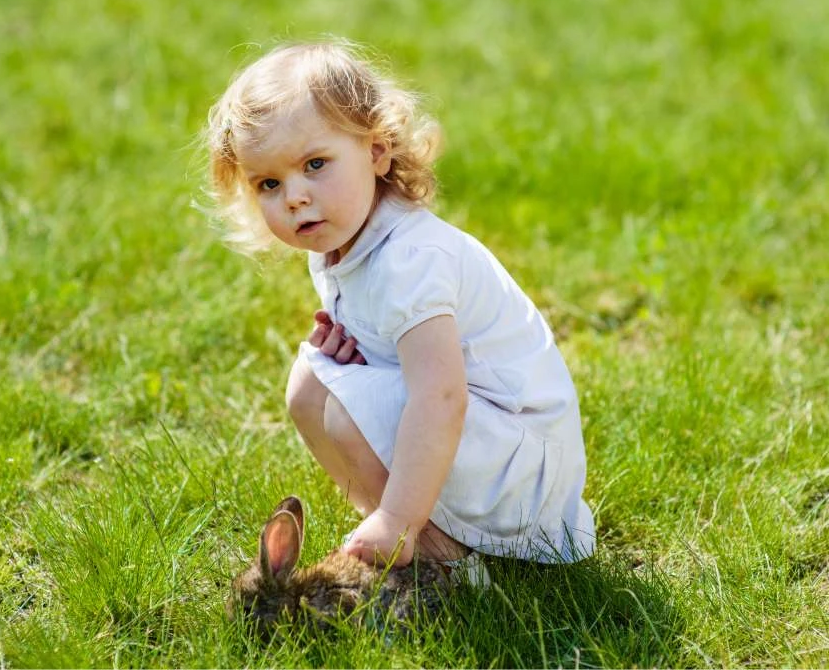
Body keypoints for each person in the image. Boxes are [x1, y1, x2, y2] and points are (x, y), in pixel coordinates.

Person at [203, 41, 595, 585]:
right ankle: (398, 532)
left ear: (377, 151)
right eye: (269, 183)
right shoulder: (340, 243)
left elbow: (442, 397)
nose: (294, 196)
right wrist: (362, 357)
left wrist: (399, 515)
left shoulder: (410, 261)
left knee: (344, 408)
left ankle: (442, 559)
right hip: (483, 441)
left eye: (315, 165)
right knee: (309, 387)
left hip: (523, 468)